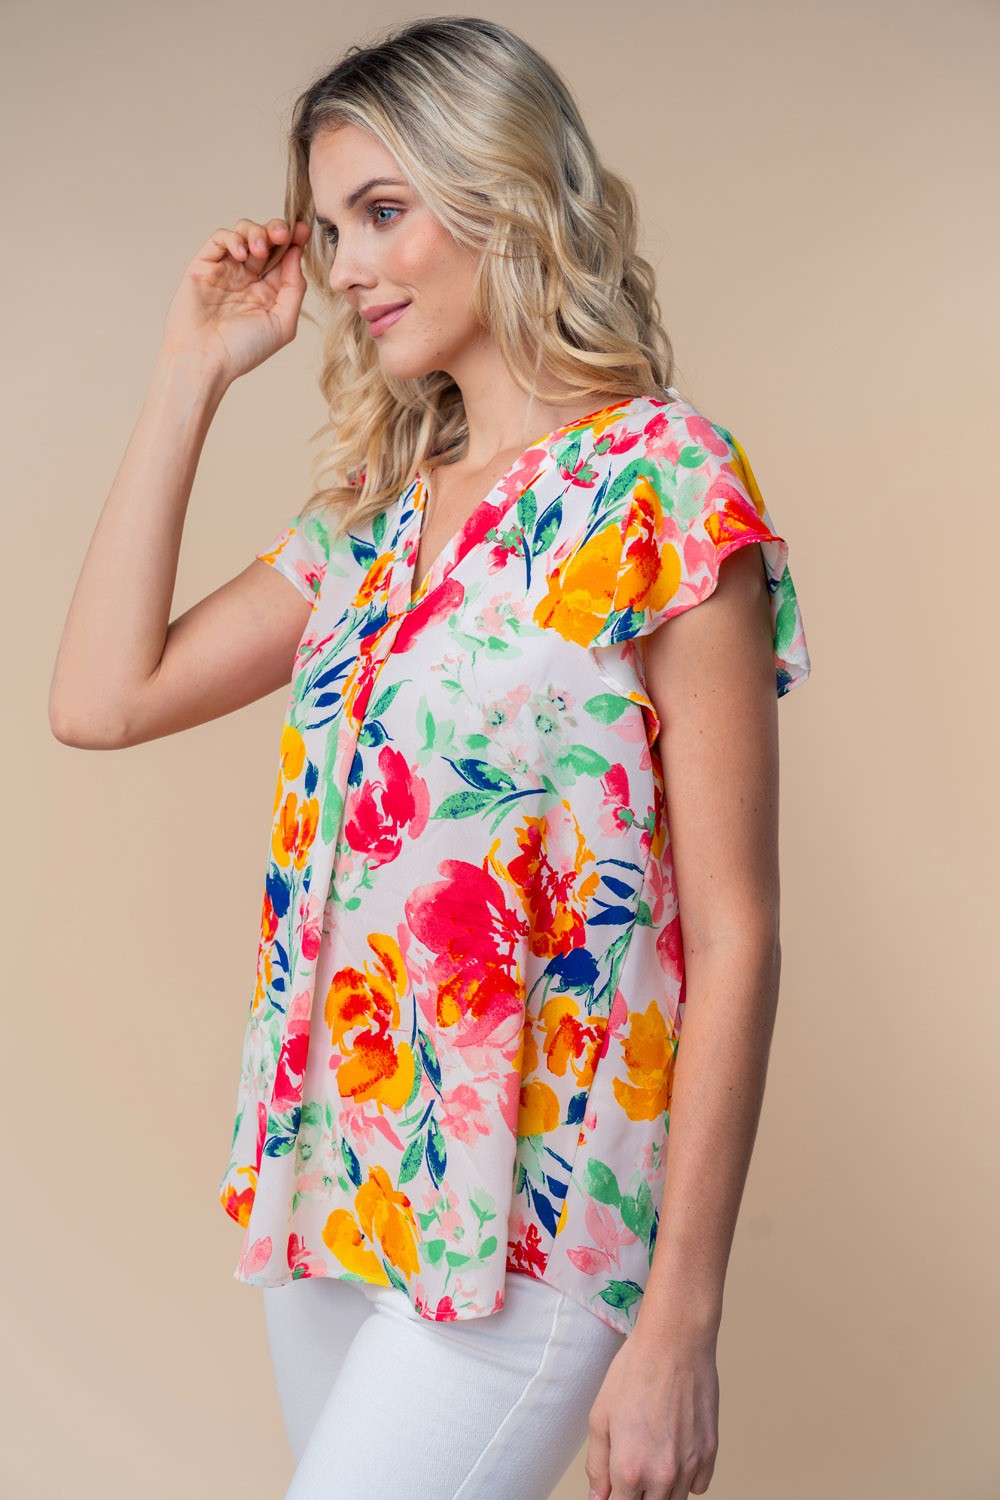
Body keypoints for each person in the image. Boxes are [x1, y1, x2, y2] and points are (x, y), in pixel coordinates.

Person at [49, 15, 811, 1500]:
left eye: (384, 213)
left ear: (507, 195)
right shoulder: (374, 520)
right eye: (332, 226)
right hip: (337, 1181)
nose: (342, 267)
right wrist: (192, 368)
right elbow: (101, 697)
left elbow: (736, 932)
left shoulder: (662, 485)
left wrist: (683, 1321)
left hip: (542, 1207)